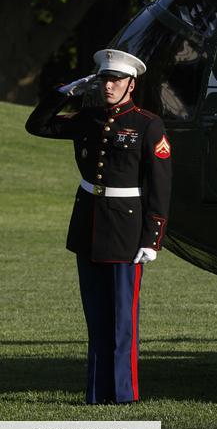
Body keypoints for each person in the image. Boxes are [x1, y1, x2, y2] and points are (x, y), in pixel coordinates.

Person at [25, 49, 171, 405]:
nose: (109, 85)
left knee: (122, 319)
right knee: (96, 316)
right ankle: (96, 392)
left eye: (116, 80)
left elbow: (160, 185)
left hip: (125, 231)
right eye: (104, 78)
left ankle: (123, 394)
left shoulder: (148, 124)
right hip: (88, 225)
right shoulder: (88, 118)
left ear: (131, 84)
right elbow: (37, 125)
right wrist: (65, 93)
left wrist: (152, 239)